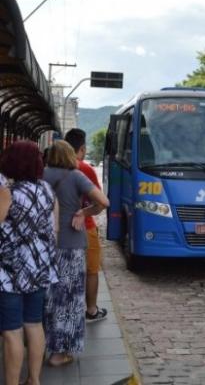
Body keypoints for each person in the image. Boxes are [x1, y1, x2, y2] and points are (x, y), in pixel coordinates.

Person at [43, 140, 109, 367]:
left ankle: (43, 344)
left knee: (49, 298)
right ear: (71, 155)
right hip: (71, 245)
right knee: (69, 300)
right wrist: (84, 211)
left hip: (45, 245)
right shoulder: (76, 176)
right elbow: (103, 201)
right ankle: (60, 353)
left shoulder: (42, 175)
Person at [0, 141, 59, 385]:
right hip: (39, 267)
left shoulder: (8, 192)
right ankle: (34, 380)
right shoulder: (46, 189)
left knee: (12, 331)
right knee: (34, 324)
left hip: (10, 272)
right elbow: (53, 229)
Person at [64, 128, 108, 322]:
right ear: (81, 148)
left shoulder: (51, 167)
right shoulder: (84, 168)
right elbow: (100, 203)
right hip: (86, 226)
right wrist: (85, 212)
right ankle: (91, 310)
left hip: (60, 227)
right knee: (91, 270)